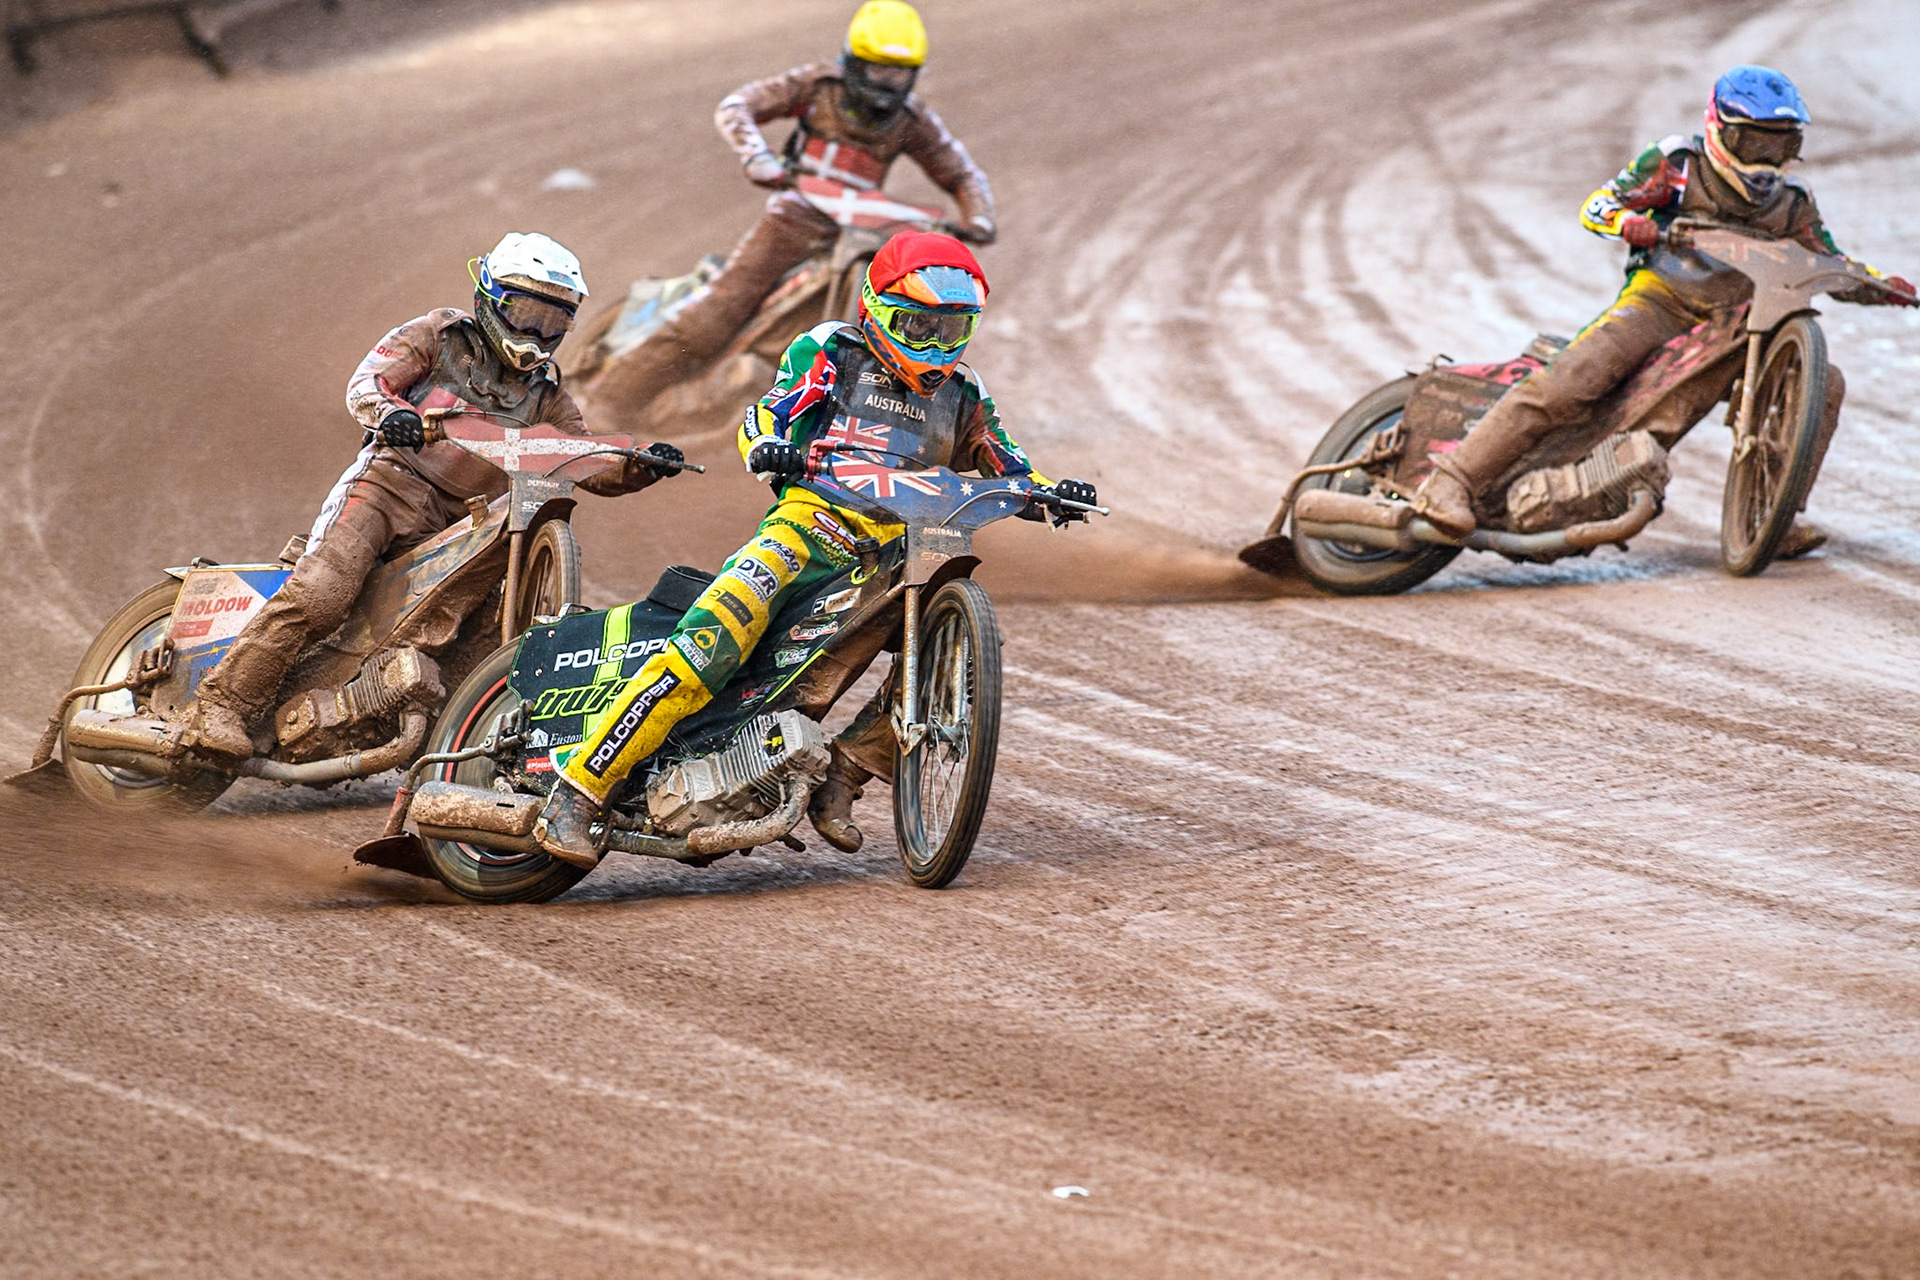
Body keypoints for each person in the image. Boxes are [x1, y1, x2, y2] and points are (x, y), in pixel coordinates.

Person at [532, 232, 1096, 866]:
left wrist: (1051, 493)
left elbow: (1008, 463)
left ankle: (845, 774)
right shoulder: (832, 350)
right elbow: (769, 412)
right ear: (877, 311)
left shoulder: (963, 392)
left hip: (895, 552)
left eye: (952, 329)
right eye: (919, 326)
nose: (937, 346)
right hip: (805, 531)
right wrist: (768, 445)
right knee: (710, 643)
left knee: (951, 653)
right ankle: (577, 792)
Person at [182, 233, 685, 760]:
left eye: (552, 322)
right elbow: (367, 383)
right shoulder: (437, 338)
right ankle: (221, 704)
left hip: (463, 526)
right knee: (324, 592)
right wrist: (391, 414)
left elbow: (582, 457)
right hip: (387, 485)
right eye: (525, 314)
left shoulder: (546, 397)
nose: (536, 334)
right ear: (489, 299)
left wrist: (641, 463)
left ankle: (443, 754)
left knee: (483, 634)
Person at [1412, 66, 1918, 548]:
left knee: (1825, 383)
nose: (1766, 160)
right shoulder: (1677, 163)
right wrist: (1625, 223)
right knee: (1579, 375)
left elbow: (1827, 260)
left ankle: (1774, 515)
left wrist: (1880, 285)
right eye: (1754, 143)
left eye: (1781, 145)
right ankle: (1451, 480)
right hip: (1660, 300)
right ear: (1719, 129)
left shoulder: (1793, 200)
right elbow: (1598, 205)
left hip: (1739, 326)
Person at [592, 0, 996, 414]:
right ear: (855, 62)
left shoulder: (912, 118)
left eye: (899, 73)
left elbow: (962, 171)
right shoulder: (819, 86)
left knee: (903, 315)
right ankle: (610, 401)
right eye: (879, 70)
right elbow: (738, 105)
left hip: (861, 235)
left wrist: (978, 216)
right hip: (795, 218)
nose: (888, 84)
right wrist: (757, 155)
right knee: (721, 308)